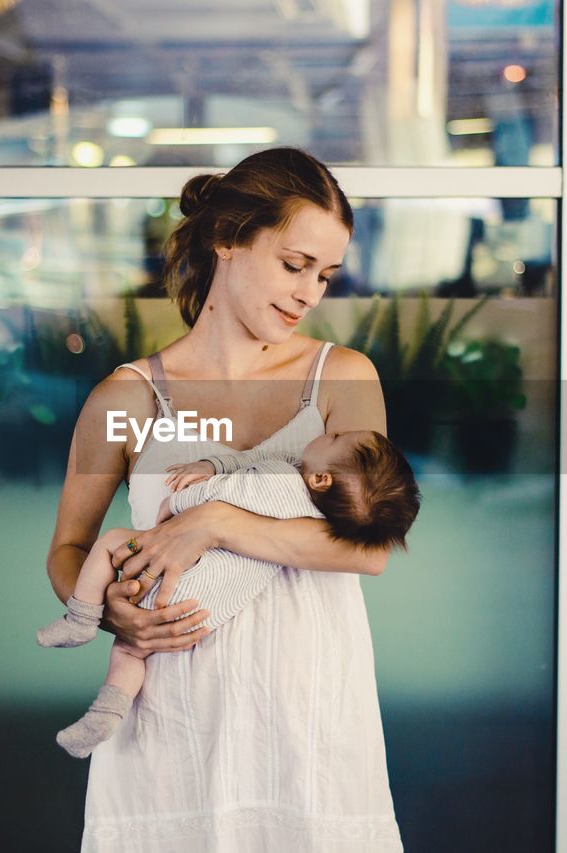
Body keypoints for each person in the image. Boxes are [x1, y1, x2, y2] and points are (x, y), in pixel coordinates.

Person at [44, 146, 403, 850]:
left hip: (312, 716)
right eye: (294, 264)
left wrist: (215, 520)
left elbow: (369, 548)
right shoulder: (127, 398)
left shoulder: (343, 378)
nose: (308, 293)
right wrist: (111, 609)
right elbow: (68, 550)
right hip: (171, 722)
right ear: (227, 239)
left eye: (325, 276)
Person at [37, 428, 421, 759]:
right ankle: (104, 716)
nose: (327, 434)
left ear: (321, 479)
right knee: (131, 650)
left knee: (112, 543)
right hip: (208, 608)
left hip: (185, 577)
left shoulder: (280, 482)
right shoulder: (317, 512)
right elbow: (259, 464)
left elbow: (226, 495)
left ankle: (81, 620)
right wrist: (214, 465)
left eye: (335, 437)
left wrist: (180, 505)